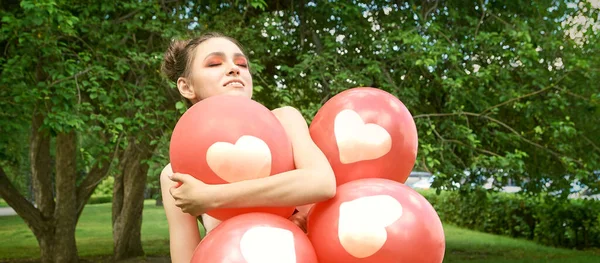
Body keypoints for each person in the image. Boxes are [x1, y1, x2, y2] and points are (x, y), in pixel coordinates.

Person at [159, 32, 336, 263]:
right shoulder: (175, 173)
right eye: (214, 63)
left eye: (241, 63)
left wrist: (211, 196)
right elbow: (185, 258)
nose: (234, 68)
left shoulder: (284, 121)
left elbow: (322, 182)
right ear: (186, 86)